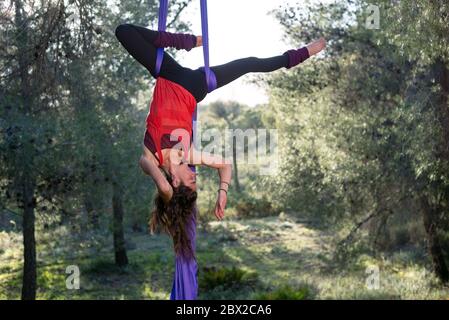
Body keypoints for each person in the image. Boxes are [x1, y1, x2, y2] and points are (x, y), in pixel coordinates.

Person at [115, 23, 326, 299]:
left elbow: (160, 183)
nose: (195, 178)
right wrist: (222, 194)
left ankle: (188, 40)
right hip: (194, 87)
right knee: (249, 63)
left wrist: (164, 183)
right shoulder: (188, 155)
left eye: (191, 184)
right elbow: (224, 164)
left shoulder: (151, 158)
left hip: (167, 74)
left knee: (124, 31)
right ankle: (298, 56)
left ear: (174, 183)